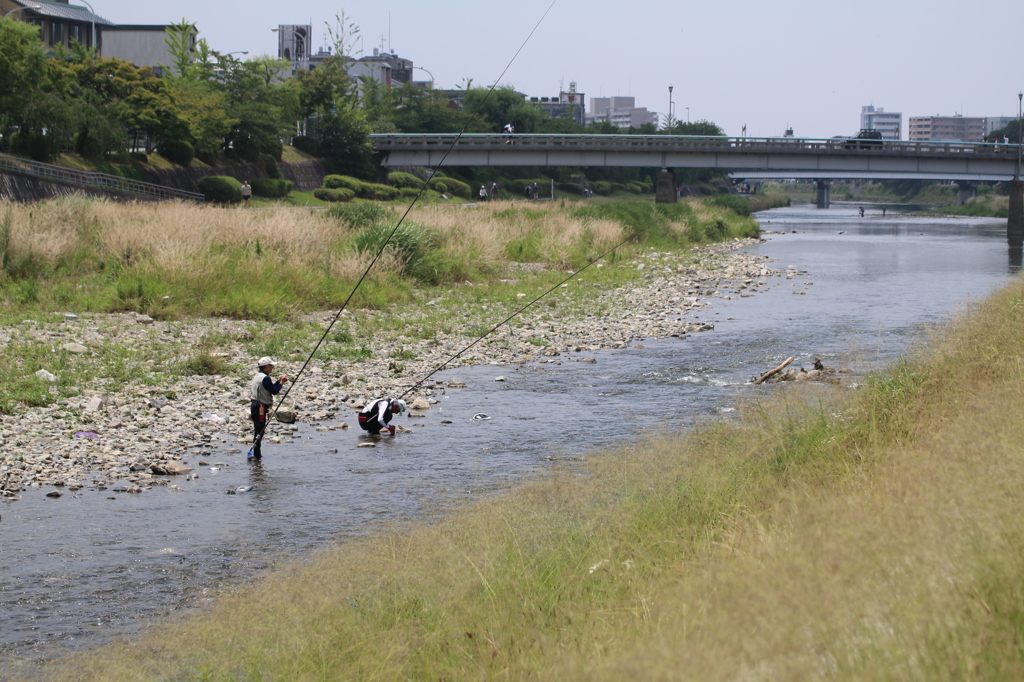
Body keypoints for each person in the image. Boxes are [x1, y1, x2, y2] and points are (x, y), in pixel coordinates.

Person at [249, 356, 288, 459]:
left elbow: (270, 388)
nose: (272, 368)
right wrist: (282, 382)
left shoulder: (259, 376)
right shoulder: (265, 378)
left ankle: (256, 454)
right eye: (271, 366)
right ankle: (256, 454)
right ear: (266, 367)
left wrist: (279, 381)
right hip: (260, 407)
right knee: (259, 431)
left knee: (258, 429)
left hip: (255, 405)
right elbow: (275, 391)